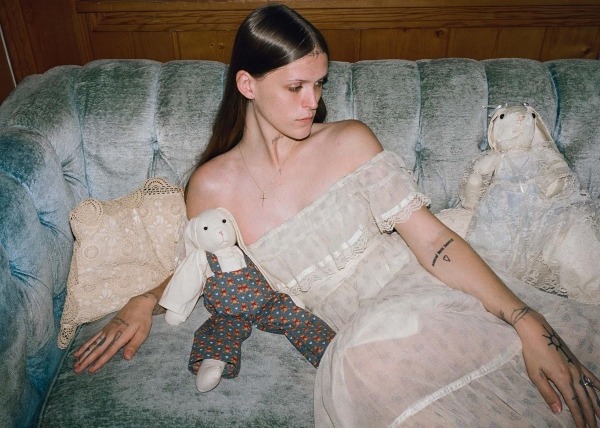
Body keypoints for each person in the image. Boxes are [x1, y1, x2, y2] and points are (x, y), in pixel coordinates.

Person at [74, 4, 600, 427]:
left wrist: (527, 321)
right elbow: (207, 263)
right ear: (248, 85)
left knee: (557, 378)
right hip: (363, 345)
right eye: (295, 87)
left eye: (319, 84)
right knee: (369, 366)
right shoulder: (211, 186)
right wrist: (144, 300)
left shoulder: (349, 141)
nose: (312, 102)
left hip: (428, 296)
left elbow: (434, 244)